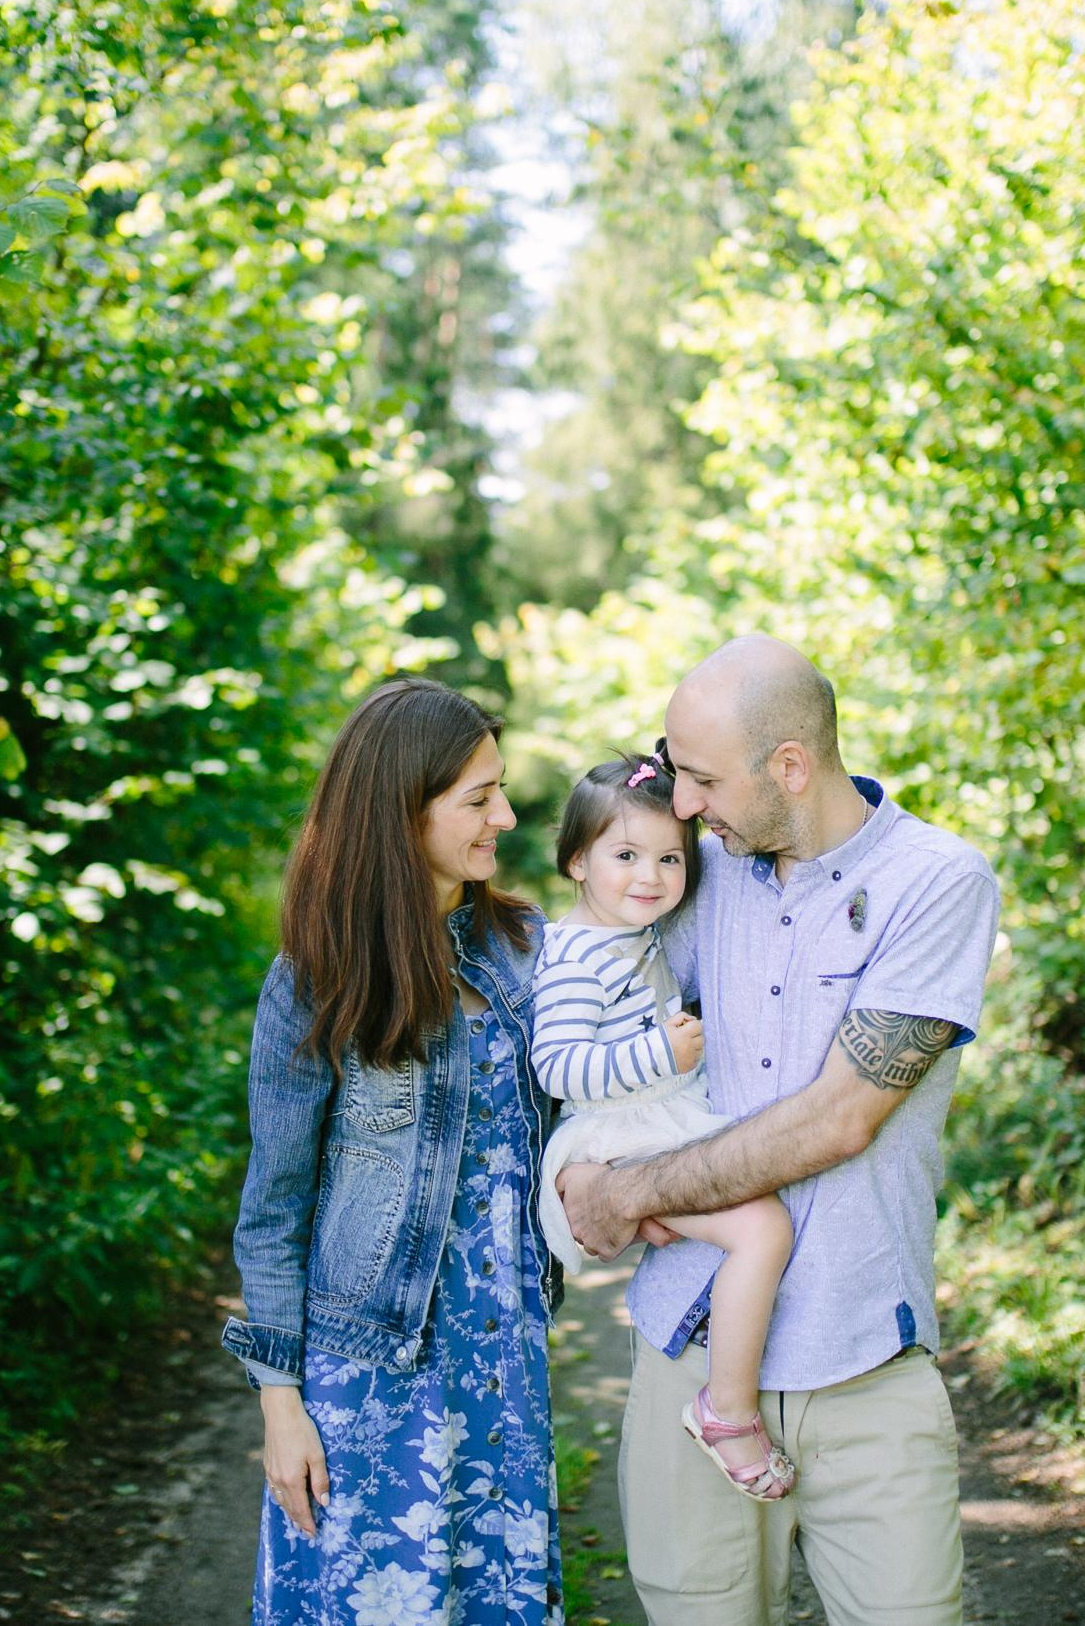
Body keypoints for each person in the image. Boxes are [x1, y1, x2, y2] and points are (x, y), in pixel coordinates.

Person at [557, 636, 1000, 1626]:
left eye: (703, 779)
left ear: (789, 767)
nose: (682, 806)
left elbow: (843, 1114)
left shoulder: (937, 881)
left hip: (862, 1355)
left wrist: (631, 1189)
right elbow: (573, 972)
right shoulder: (690, 873)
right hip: (689, 1341)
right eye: (675, 777)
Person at [223, 677, 563, 1625]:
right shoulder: (316, 976)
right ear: (400, 811)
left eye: (500, 788)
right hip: (366, 1371)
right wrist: (280, 1407)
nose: (504, 814)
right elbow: (274, 1208)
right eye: (478, 798)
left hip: (501, 1353)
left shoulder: (527, 948)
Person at [530, 750, 798, 1501]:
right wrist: (660, 1049)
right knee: (762, 1229)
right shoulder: (579, 953)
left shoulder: (624, 933)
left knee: (755, 1221)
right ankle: (727, 1409)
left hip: (654, 1121)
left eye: (669, 859)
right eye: (624, 855)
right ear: (577, 862)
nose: (649, 876)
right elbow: (558, 1066)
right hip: (622, 1135)